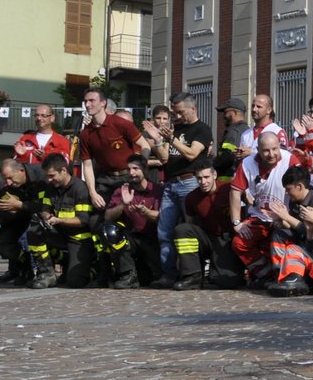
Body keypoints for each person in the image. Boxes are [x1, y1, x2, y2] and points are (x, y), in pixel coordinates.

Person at [147, 91, 212, 286]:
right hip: (171, 183)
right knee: (164, 231)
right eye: (175, 112)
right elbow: (165, 158)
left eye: (180, 112)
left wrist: (172, 139)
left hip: (190, 182)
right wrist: (158, 140)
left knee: (188, 230)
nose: (177, 116)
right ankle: (168, 274)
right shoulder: (175, 128)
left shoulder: (202, 129)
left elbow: (192, 154)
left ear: (193, 108)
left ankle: (192, 274)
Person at [230, 130, 294, 284]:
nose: (271, 154)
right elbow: (235, 191)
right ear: (257, 150)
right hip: (259, 216)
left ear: (280, 146)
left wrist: (288, 217)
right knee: (239, 242)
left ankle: (285, 276)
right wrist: (237, 222)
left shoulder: (290, 160)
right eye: (266, 150)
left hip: (285, 218)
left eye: (275, 149)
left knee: (281, 243)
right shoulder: (247, 163)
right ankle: (265, 274)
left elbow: (301, 189)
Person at [27, 154, 97, 289]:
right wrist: (46, 216)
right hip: (60, 235)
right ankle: (46, 274)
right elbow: (45, 208)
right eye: (47, 176)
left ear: (64, 171)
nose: (49, 179)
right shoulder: (50, 188)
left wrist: (58, 220)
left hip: (79, 239)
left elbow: (83, 220)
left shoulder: (80, 188)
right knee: (34, 230)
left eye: (52, 175)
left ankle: (92, 267)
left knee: (75, 282)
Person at [172, 161, 243, 290]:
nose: (203, 182)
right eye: (199, 178)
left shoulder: (229, 189)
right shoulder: (191, 197)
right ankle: (192, 276)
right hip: (206, 237)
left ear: (214, 175)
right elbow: (189, 225)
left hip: (227, 239)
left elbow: (249, 202)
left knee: (226, 282)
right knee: (182, 229)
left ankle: (220, 272)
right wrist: (182, 258)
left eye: (206, 177)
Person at [77, 88, 145, 210]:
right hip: (106, 180)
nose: (87, 105)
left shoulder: (121, 124)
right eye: (85, 101)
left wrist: (139, 170)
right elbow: (87, 165)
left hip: (128, 177)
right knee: (96, 219)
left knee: (132, 215)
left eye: (92, 100)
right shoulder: (85, 134)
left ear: (103, 103)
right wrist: (93, 193)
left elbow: (145, 146)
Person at [102, 153, 164, 286]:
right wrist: (123, 204)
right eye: (129, 169)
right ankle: (128, 275)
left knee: (152, 279)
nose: (131, 173)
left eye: (135, 169)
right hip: (132, 238)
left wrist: (146, 212)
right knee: (110, 230)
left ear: (144, 170)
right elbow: (107, 217)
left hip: (153, 239)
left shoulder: (157, 190)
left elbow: (162, 218)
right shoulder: (122, 190)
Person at [213, 97, 250, 184]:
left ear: (234, 112)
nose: (224, 116)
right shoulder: (247, 130)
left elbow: (228, 156)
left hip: (227, 180)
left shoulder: (234, 132)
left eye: (225, 112)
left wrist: (212, 164)